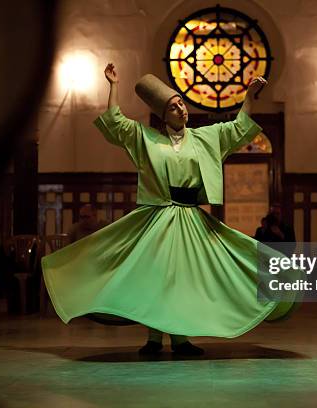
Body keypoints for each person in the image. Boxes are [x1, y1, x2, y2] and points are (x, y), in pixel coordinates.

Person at [42, 63, 295, 356]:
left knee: (186, 277)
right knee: (158, 276)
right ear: (164, 115)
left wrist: (249, 96)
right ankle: (153, 338)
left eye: (182, 104)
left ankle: (180, 339)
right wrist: (112, 86)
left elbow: (238, 128)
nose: (182, 110)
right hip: (159, 216)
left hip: (191, 218)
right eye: (174, 107)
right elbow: (115, 122)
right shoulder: (147, 138)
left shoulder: (206, 137)